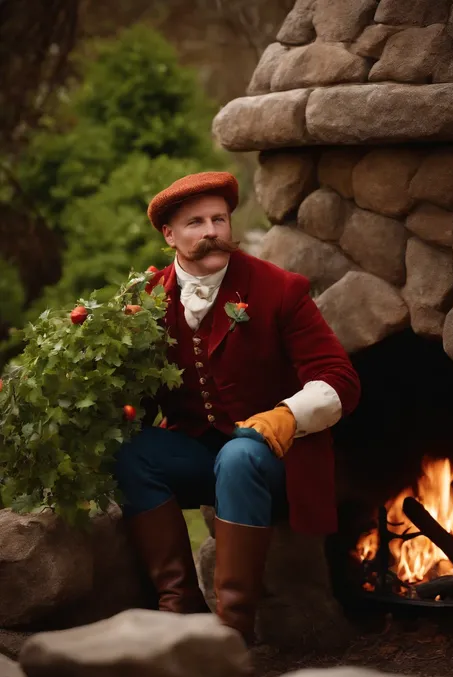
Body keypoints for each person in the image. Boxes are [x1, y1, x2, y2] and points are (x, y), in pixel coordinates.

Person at [115, 171, 361, 644]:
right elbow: (136, 398)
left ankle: (233, 631)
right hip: (200, 453)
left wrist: (285, 416)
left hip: (275, 462)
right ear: (169, 235)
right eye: (195, 222)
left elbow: (340, 380)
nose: (211, 230)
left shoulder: (280, 288)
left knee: (241, 454)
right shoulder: (144, 302)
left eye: (219, 219)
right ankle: (180, 616)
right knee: (132, 450)